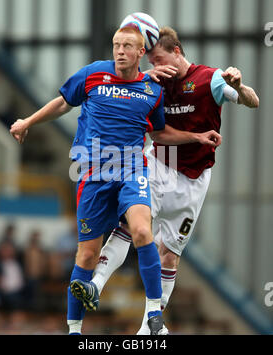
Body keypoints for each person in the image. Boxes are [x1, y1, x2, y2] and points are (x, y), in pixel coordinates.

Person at [10, 26, 221, 335]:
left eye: (127, 46)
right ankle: (74, 329)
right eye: (116, 45)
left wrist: (196, 136)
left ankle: (153, 315)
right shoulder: (94, 74)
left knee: (140, 229)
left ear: (140, 54)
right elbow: (62, 102)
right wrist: (28, 121)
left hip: (132, 170)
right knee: (87, 254)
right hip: (94, 173)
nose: (120, 50)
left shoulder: (152, 89)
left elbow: (159, 132)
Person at [88, 26, 260, 335]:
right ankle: (95, 285)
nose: (156, 67)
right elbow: (155, 132)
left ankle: (148, 330)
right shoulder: (156, 84)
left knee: (170, 253)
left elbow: (253, 101)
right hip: (160, 163)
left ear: (176, 52)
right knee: (132, 223)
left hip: (195, 178)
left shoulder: (211, 79)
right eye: (151, 62)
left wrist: (240, 84)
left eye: (158, 60)